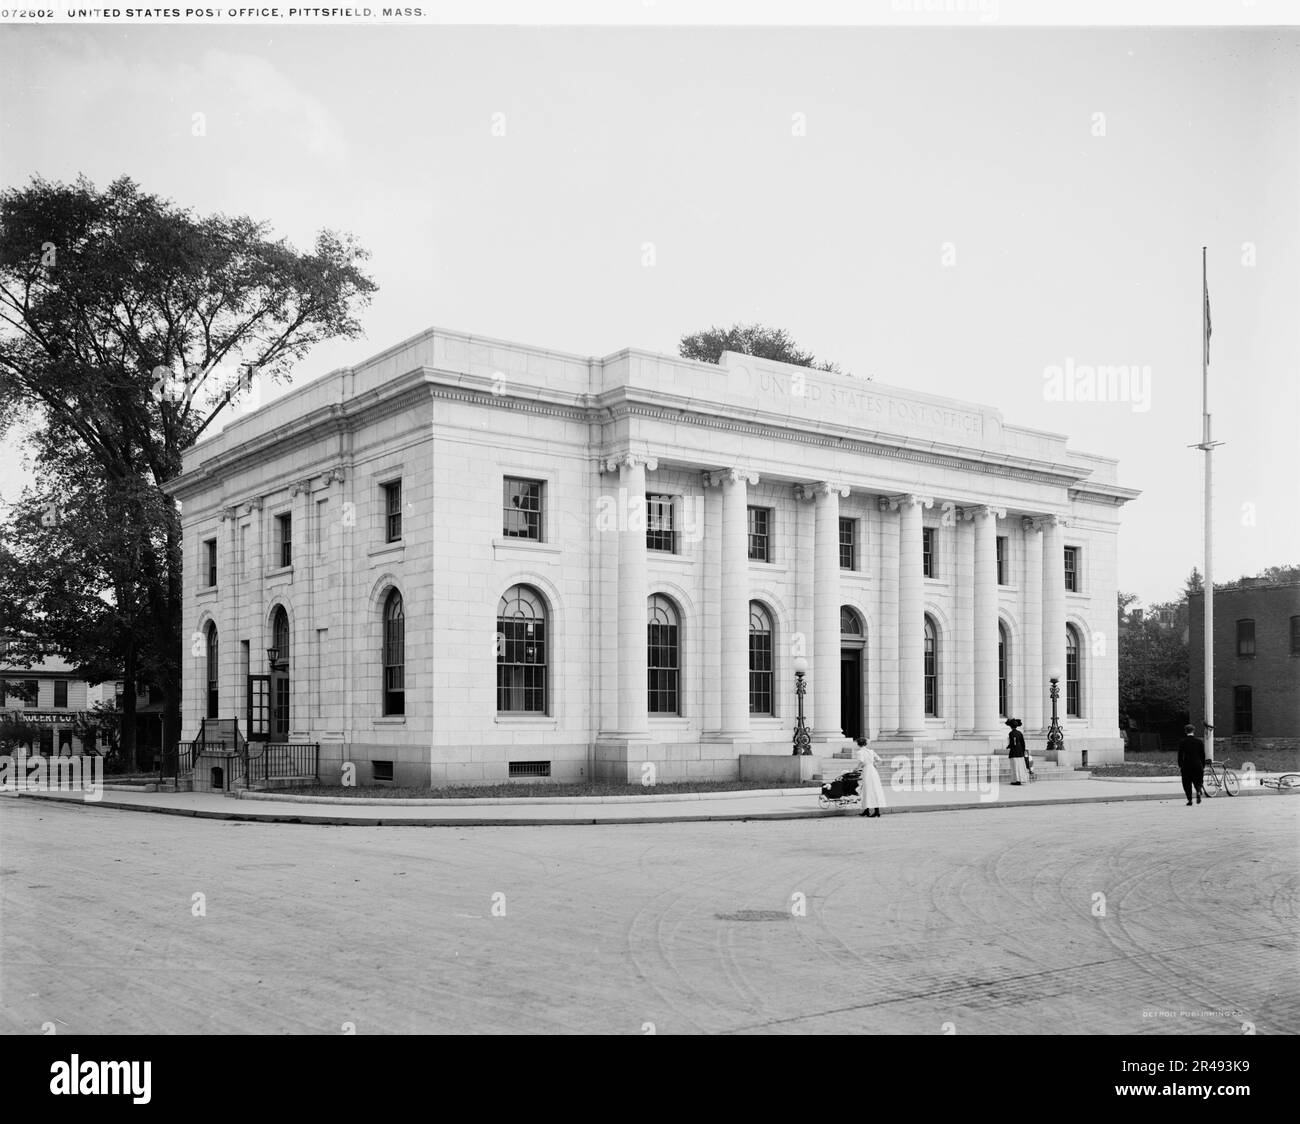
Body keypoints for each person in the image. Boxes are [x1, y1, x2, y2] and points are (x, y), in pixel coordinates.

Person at [1176, 723, 1207, 806]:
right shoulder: (1199, 742)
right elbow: (1202, 755)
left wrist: (1180, 765)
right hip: (1198, 765)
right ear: (1193, 731)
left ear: (1185, 731)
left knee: (1187, 783)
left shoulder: (1182, 742)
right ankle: (1198, 790)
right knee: (1198, 781)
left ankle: (1189, 800)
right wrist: (1203, 765)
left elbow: (1180, 755)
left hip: (1186, 765)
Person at [855, 736, 885, 818]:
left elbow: (861, 762)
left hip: (867, 771)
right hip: (873, 770)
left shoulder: (860, 752)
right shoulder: (871, 751)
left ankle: (870, 810)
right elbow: (880, 760)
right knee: (874, 789)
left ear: (858, 744)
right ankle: (871, 810)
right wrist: (875, 764)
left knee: (867, 789)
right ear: (865, 743)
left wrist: (856, 769)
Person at [1006, 718, 1028, 785]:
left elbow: (1013, 742)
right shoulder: (1020, 733)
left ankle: (1016, 780)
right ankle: (1021, 779)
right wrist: (1023, 751)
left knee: (1014, 766)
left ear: (1011, 726)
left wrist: (1009, 746)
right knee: (1020, 766)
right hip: (1020, 751)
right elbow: (1023, 743)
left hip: (1014, 752)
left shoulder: (1011, 733)